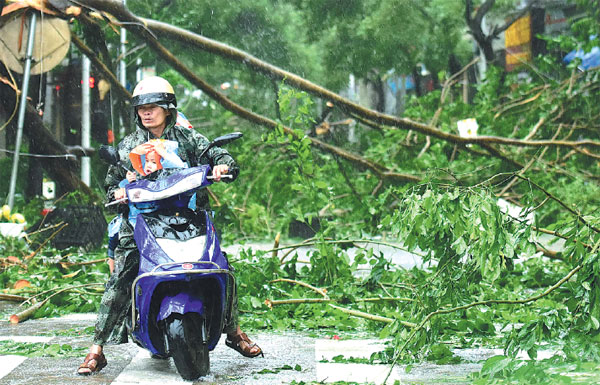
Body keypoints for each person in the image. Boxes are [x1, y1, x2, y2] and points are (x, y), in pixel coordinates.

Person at [78, 76, 262, 375]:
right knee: (123, 273)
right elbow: (110, 187)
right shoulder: (129, 146)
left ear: (168, 108)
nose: (146, 113)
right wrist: (119, 192)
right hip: (141, 221)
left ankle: (234, 332)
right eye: (141, 108)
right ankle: (97, 349)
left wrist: (223, 165)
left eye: (153, 107)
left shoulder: (188, 137)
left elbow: (216, 153)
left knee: (221, 266)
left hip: (189, 217)